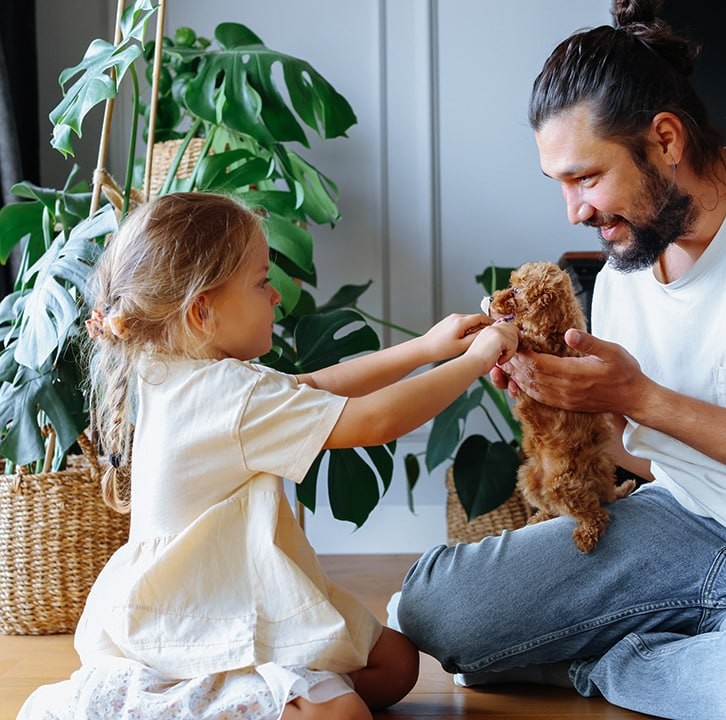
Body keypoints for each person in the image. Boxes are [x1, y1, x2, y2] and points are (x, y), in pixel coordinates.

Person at [393, 1, 726, 718]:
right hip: (677, 525)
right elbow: (653, 460)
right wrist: (562, 401)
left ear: (666, 139)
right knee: (434, 608)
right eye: (558, 183)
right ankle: (700, 654)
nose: (572, 210)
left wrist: (640, 395)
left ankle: (603, 662)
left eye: (585, 177)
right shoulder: (625, 274)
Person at [17, 191, 518, 720]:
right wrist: (476, 361)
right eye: (260, 282)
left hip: (222, 582)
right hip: (198, 605)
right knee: (344, 713)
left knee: (395, 666)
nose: (276, 295)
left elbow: (314, 385)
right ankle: (151, 705)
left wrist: (427, 349)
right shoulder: (226, 395)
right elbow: (375, 422)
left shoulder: (181, 368)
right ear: (202, 311)